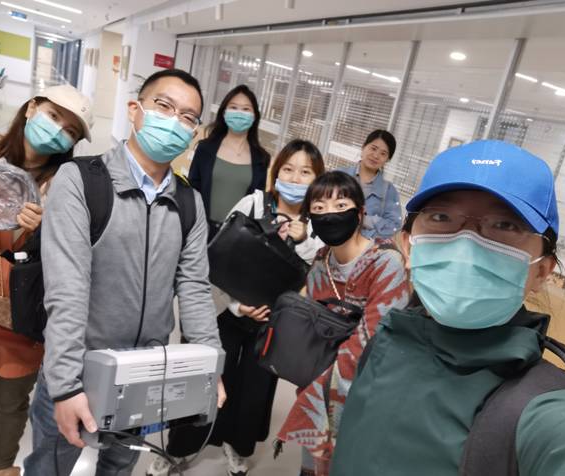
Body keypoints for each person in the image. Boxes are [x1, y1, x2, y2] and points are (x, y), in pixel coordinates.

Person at [330, 140, 565, 476]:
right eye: (441, 217)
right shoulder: (385, 340)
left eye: (505, 225)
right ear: (409, 246)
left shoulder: (547, 407)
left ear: (542, 271)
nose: (466, 243)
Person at [22, 69, 225, 476]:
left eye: (187, 117)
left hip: (144, 375)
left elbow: (194, 288)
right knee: (50, 467)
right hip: (80, 368)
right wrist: (65, 386)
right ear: (135, 110)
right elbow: (67, 288)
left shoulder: (189, 203)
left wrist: (209, 366)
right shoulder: (82, 180)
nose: (174, 121)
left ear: (194, 133)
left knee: (119, 468)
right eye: (164, 106)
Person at [150, 139, 326, 476]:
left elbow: (313, 278)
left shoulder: (317, 225)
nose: (295, 177)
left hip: (273, 324)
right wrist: (236, 305)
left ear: (316, 178)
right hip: (228, 310)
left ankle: (237, 445)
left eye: (305, 172)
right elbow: (220, 255)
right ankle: (179, 448)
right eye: (288, 169)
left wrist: (304, 241)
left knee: (254, 389)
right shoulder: (254, 203)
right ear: (276, 172)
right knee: (206, 375)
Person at [0, 84, 93, 476]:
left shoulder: (67, 184)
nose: (58, 131)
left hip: (23, 308)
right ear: (32, 107)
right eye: (53, 116)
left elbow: (72, 257)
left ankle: (4, 468)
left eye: (70, 130)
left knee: (14, 398)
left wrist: (40, 233)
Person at [276, 171, 410, 476]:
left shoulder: (386, 263)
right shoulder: (320, 261)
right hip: (316, 391)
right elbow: (311, 330)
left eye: (340, 205)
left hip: (364, 398)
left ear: (360, 212)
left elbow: (374, 342)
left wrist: (314, 383)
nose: (329, 215)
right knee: (312, 469)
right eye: (319, 208)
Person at [188, 84, 270, 241]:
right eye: (233, 107)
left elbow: (257, 203)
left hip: (236, 238)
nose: (239, 113)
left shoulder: (261, 159)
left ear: (254, 116)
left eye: (246, 109)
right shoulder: (205, 148)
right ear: (224, 112)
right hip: (199, 230)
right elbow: (192, 189)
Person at [339, 129, 402, 240]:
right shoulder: (339, 175)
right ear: (363, 147)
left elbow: (394, 227)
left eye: (383, 153)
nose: (376, 156)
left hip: (364, 248)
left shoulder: (389, 191)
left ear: (388, 159)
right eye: (373, 148)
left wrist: (367, 221)